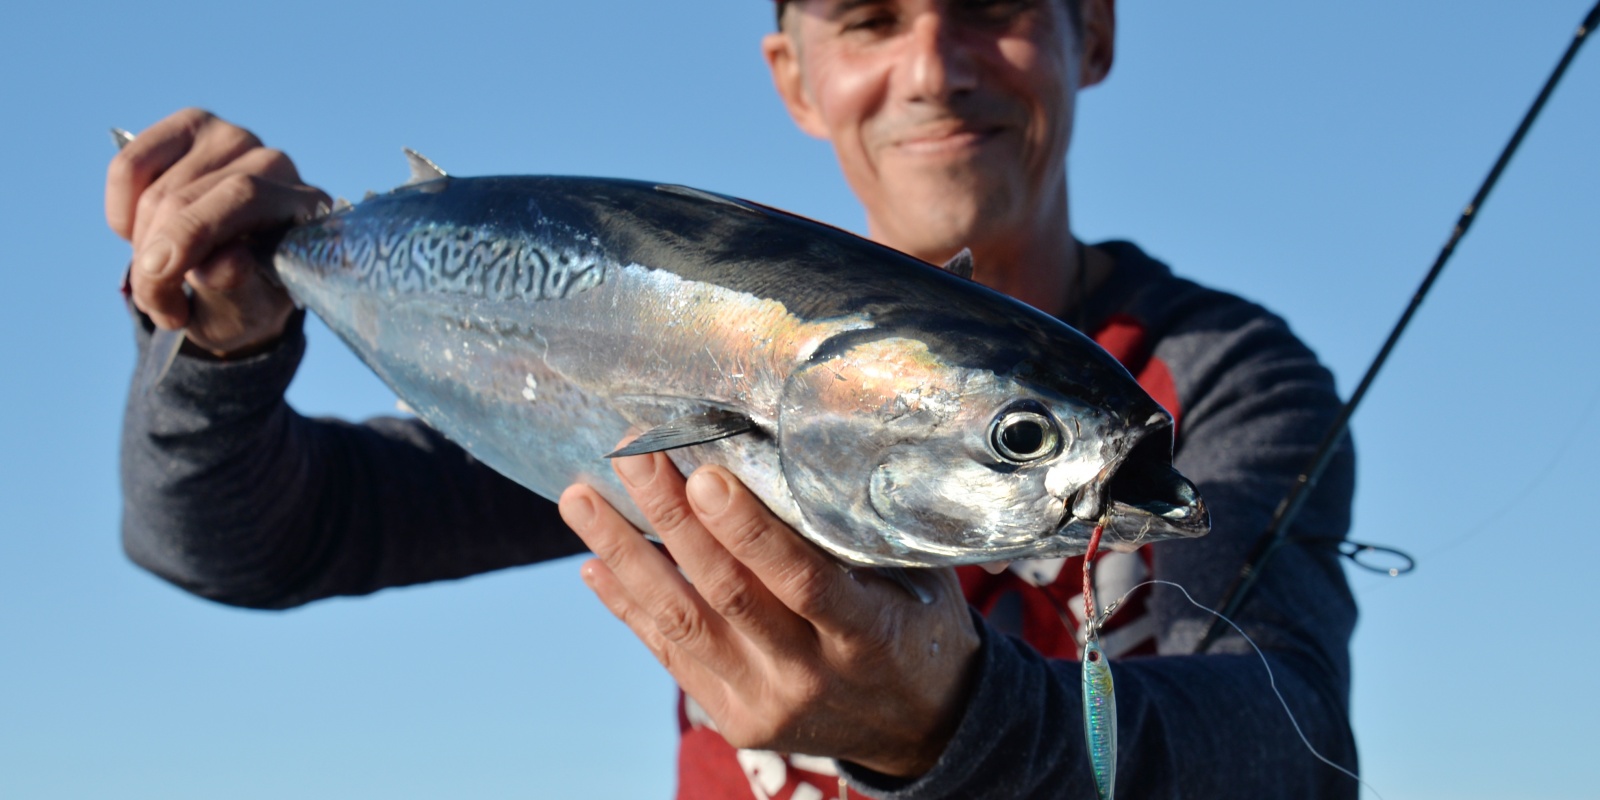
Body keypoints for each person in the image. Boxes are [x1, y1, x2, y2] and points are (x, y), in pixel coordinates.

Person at [107, 0, 1360, 797]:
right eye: (868, 17)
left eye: (991, 5)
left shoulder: (1211, 377)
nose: (932, 67)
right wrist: (216, 353)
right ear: (793, 74)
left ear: (1093, 28)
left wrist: (951, 725)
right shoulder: (644, 335)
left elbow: (1288, 742)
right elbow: (243, 539)